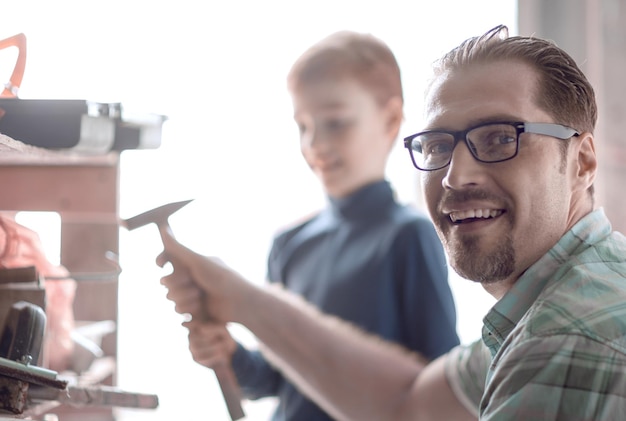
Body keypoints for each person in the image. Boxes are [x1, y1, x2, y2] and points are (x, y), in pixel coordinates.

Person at [158, 24, 626, 420]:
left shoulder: (563, 339)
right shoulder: (541, 311)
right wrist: (239, 306)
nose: (455, 177)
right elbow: (411, 404)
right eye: (439, 146)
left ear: (582, 162)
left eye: (502, 138)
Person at [180, 31, 459, 420]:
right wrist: (230, 355)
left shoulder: (408, 237)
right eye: (303, 126)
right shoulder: (288, 244)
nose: (315, 143)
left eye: (335, 123)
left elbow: (442, 385)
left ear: (391, 119)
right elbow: (273, 380)